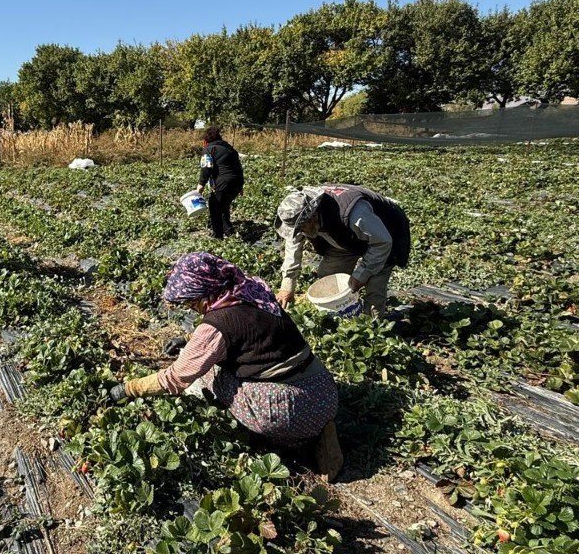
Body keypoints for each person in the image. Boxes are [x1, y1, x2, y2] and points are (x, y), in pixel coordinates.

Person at [109, 252, 343, 481]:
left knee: (212, 374)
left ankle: (298, 440)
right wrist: (190, 339)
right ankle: (317, 429)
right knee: (221, 362)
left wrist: (130, 388)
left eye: (191, 301)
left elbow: (175, 378)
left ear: (204, 293)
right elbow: (247, 332)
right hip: (324, 391)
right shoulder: (252, 291)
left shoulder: (216, 326)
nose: (191, 307)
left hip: (290, 410)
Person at [273, 184, 410, 316]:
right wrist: (287, 285)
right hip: (346, 238)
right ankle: (336, 317)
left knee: (374, 287)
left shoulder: (354, 213)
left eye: (301, 229)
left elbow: (382, 242)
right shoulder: (300, 216)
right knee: (327, 278)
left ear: (313, 217)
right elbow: (293, 246)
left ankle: (370, 329)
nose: (300, 233)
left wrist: (362, 274)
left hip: (386, 235)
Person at [197, 126, 244, 239]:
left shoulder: (209, 149)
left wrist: (200, 185)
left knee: (214, 206)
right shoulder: (230, 148)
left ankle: (218, 237)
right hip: (237, 182)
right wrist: (241, 186)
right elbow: (238, 167)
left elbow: (206, 168)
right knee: (224, 204)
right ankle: (228, 231)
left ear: (205, 141)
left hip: (224, 182)